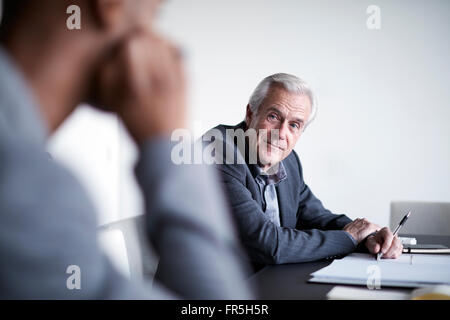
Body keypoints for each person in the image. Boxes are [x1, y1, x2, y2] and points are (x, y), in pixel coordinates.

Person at [0, 0, 252, 299]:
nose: (162, 41)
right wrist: (170, 143)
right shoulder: (27, 186)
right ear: (109, 6)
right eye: (154, 14)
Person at [203, 73, 403, 271]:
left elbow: (316, 217)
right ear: (250, 114)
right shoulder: (219, 151)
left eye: (294, 125)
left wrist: (368, 236)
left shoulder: (289, 161)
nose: (281, 133)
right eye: (273, 116)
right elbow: (267, 243)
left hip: (271, 281)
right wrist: (350, 238)